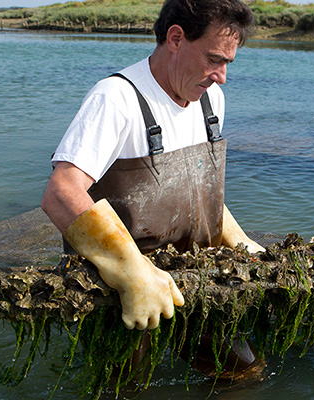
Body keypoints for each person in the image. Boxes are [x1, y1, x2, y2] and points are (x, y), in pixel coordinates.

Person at [41, 0, 263, 339]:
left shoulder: (210, 98)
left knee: (241, 374)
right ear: (175, 38)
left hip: (193, 280)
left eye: (227, 63)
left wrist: (239, 240)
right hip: (122, 295)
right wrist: (132, 273)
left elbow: (196, 186)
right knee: (127, 389)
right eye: (214, 59)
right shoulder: (116, 99)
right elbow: (61, 193)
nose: (222, 77)